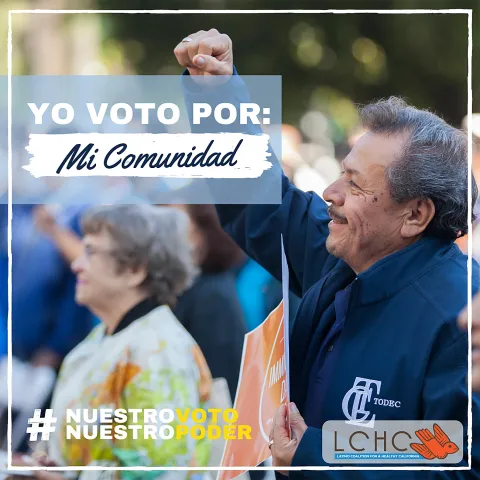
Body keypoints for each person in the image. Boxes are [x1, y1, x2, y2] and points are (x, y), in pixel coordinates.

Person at [175, 29, 479, 478]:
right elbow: (261, 201)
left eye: (355, 184)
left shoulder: (462, 314)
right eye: (341, 174)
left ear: (415, 215)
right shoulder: (348, 258)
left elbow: (453, 455)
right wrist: (217, 95)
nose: (330, 192)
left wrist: (315, 451)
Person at [23, 205, 212, 478]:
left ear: (135, 269)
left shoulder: (157, 351)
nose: (76, 264)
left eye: (91, 251)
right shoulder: (108, 337)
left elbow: (165, 472)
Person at [173, 204, 247, 402]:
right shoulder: (186, 289)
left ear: (201, 236)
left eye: (175, 224)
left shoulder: (213, 296)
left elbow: (222, 381)